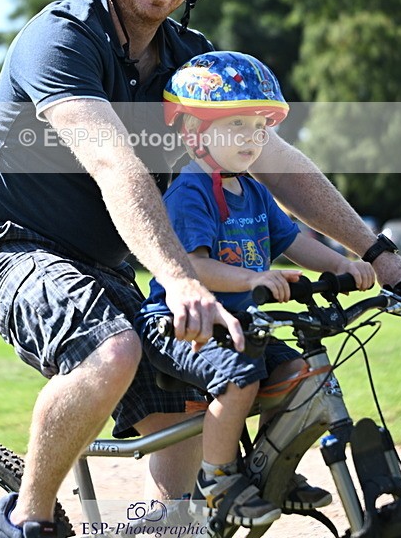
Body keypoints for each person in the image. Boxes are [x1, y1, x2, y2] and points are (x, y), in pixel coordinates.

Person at [0, 0, 401, 538]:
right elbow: (112, 161)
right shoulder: (62, 39)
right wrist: (179, 276)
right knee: (111, 351)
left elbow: (275, 161)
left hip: (114, 260)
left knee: (187, 419)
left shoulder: (195, 63)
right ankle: (27, 517)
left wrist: (378, 253)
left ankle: (175, 525)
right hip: (7, 244)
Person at [135, 50, 375, 528]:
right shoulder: (191, 190)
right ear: (194, 132)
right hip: (182, 324)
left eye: (258, 126)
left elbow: (295, 243)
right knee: (240, 377)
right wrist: (254, 279)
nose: (251, 138)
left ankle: (270, 469)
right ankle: (219, 479)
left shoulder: (254, 191)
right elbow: (193, 269)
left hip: (242, 323)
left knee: (297, 374)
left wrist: (349, 265)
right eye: (236, 125)